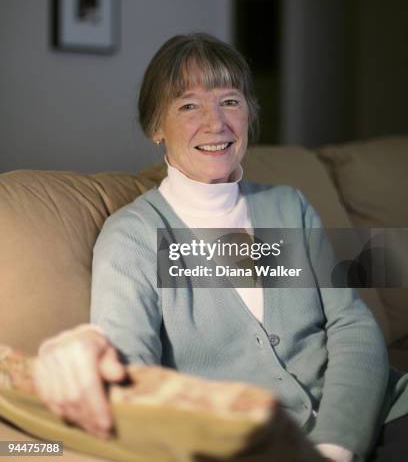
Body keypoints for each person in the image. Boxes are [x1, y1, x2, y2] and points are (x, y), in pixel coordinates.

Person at [34, 33, 408, 462]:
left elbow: (352, 325)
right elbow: (128, 367)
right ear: (156, 126)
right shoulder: (135, 237)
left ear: (249, 112)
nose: (216, 123)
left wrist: (337, 445)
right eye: (188, 105)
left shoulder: (288, 207)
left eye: (230, 101)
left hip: (375, 415)